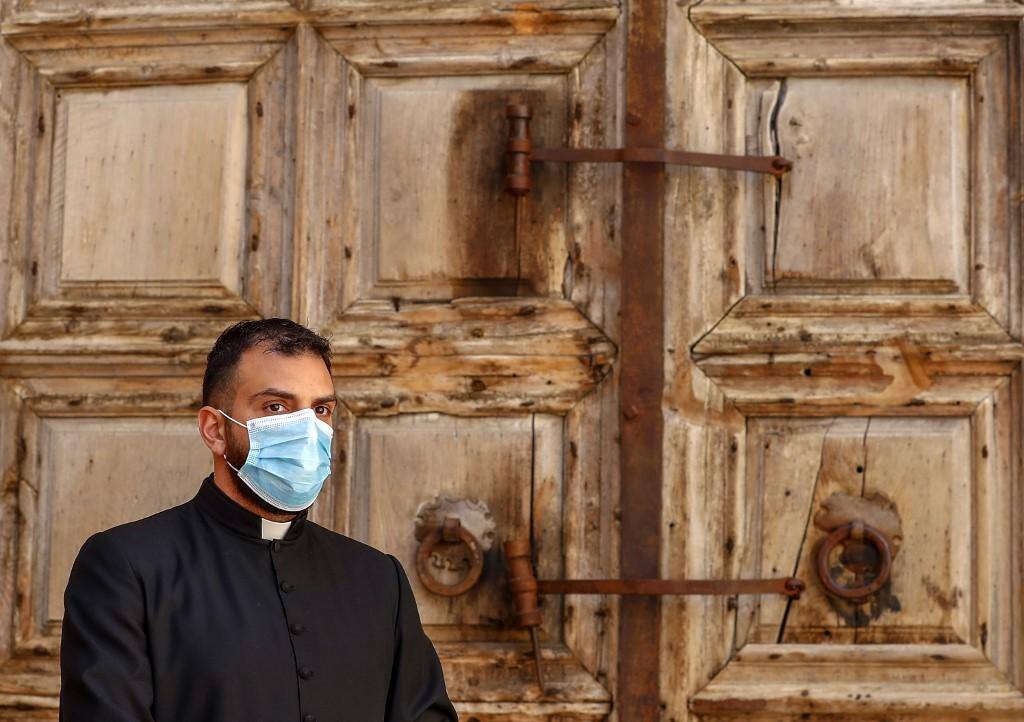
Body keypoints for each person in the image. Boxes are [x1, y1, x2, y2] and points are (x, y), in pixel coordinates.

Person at [59, 319, 458, 722]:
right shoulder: (127, 566)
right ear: (215, 430)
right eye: (276, 407)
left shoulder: (377, 578)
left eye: (320, 409)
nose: (306, 430)